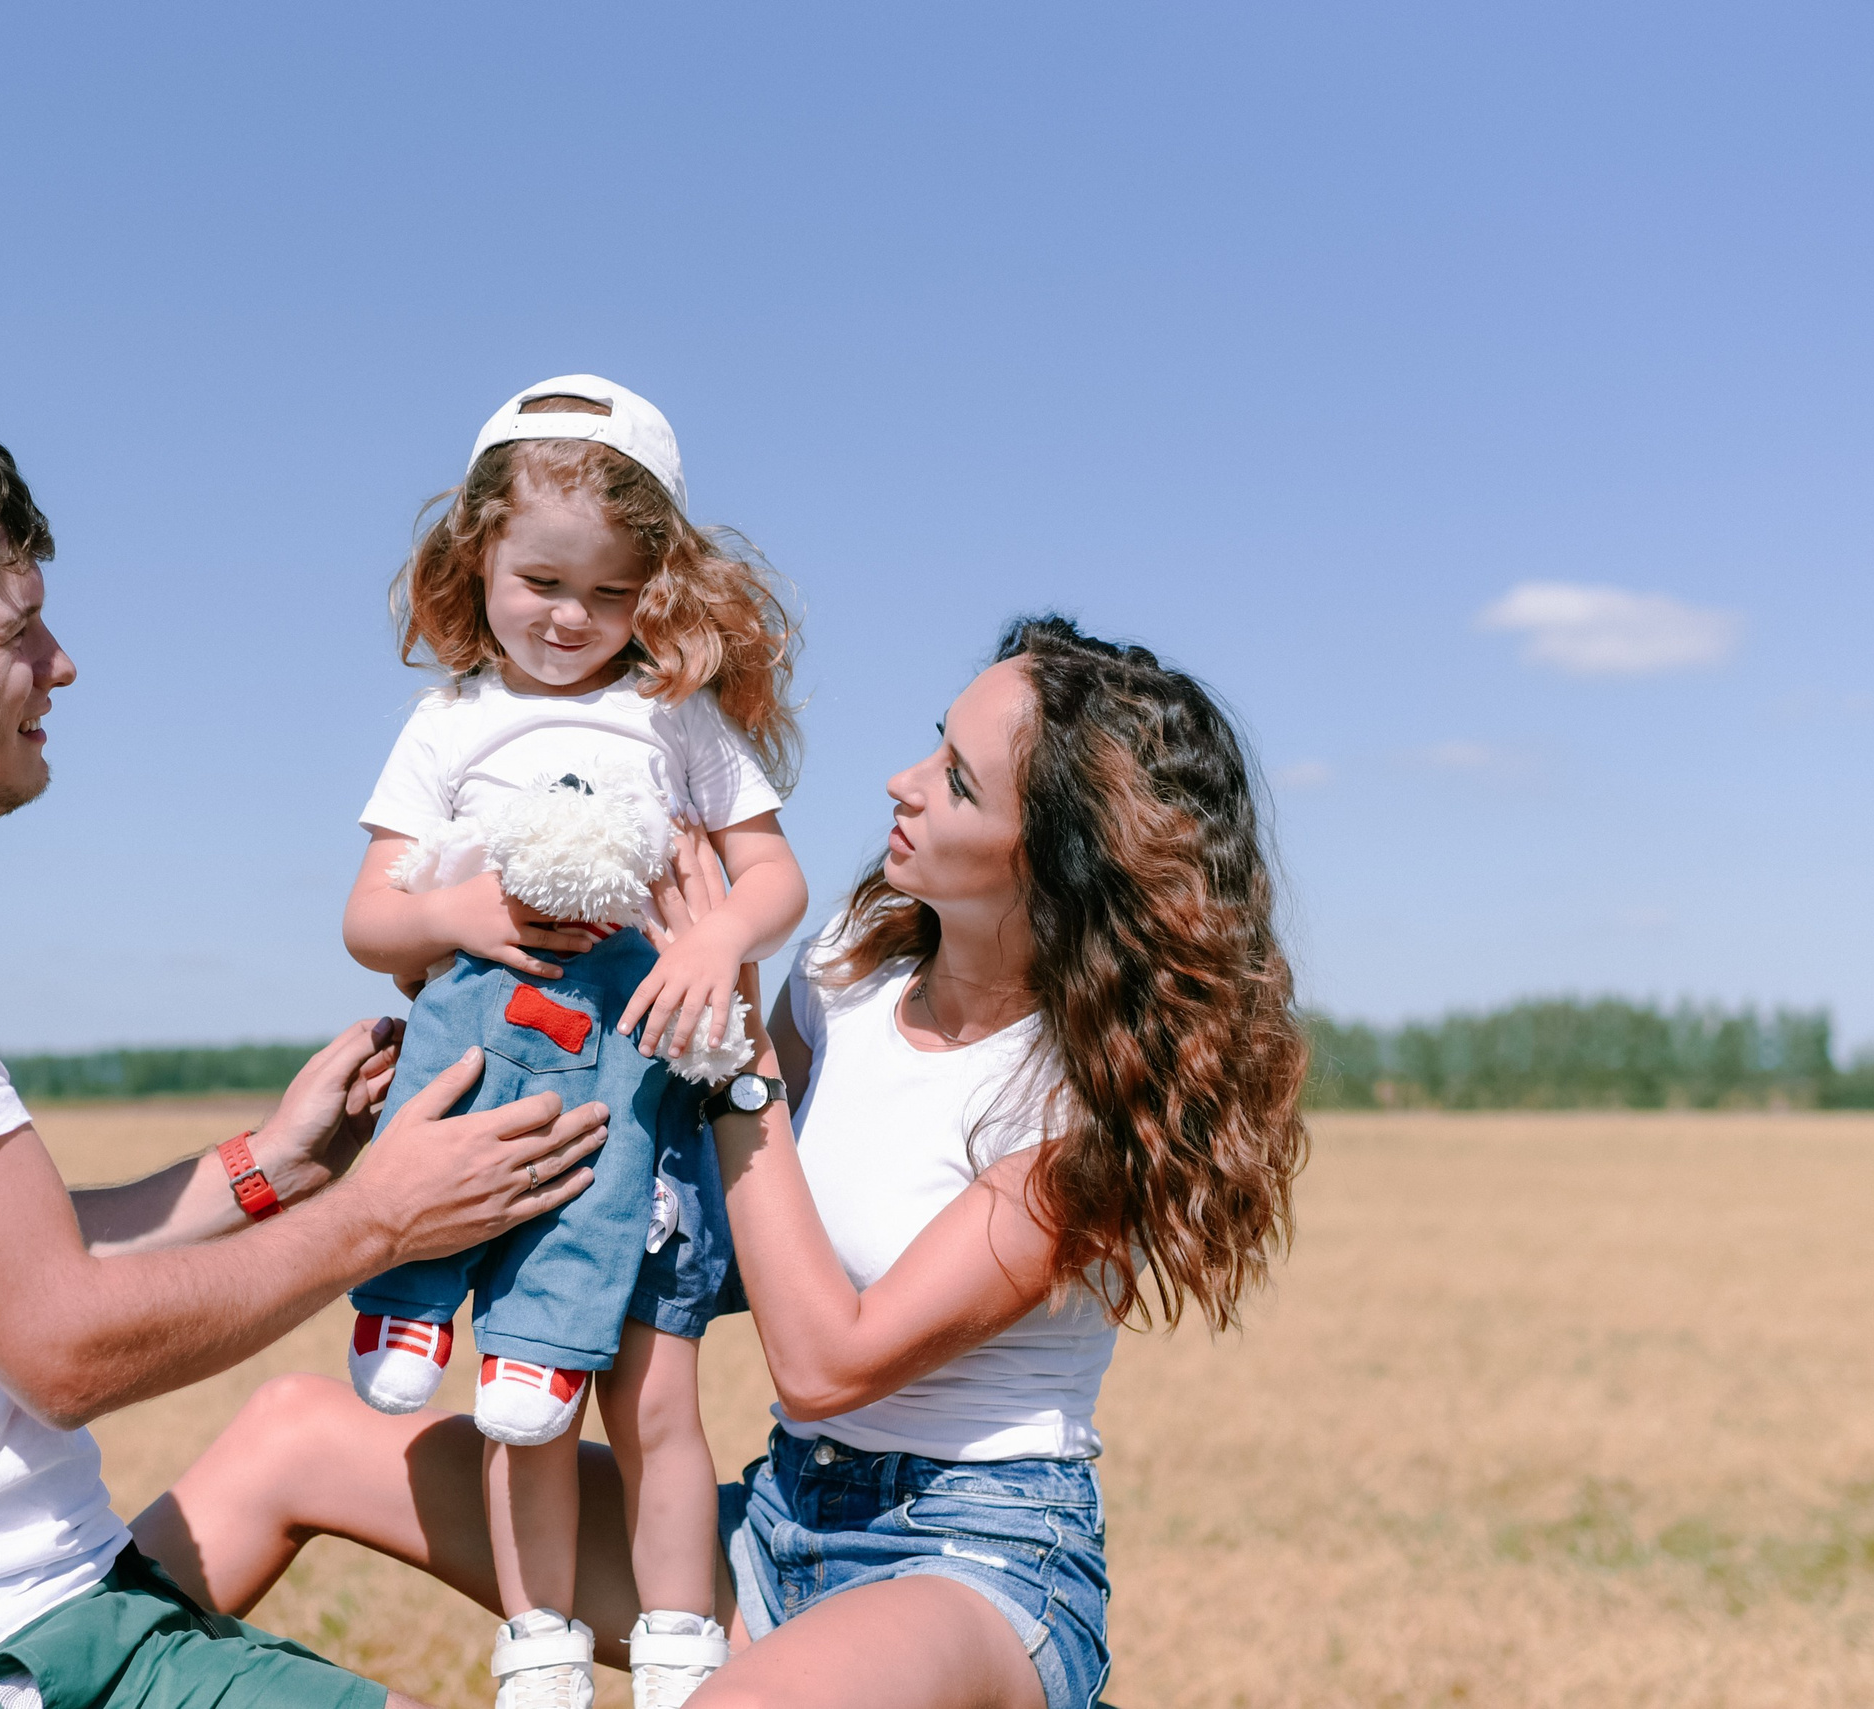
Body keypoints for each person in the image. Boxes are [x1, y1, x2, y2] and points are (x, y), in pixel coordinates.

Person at [142, 615, 1309, 1709]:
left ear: (1057, 863)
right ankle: (21, 1667)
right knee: (290, 1432)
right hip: (767, 1522)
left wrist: (742, 1065)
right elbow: (714, 1221)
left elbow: (825, 1359)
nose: (902, 781)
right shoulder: (851, 967)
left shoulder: (1077, 1112)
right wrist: (509, 1052)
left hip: (973, 1559)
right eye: (929, 742)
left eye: (956, 778)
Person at [0, 416, 612, 1709]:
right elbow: (60, 1346)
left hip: (13, 1626)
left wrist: (270, 1168)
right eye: (15, 632)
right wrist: (381, 1218)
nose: (62, 664)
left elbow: (7, 1257)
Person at [335, 377, 809, 1708]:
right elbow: (371, 918)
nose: (567, 620)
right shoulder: (448, 723)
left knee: (654, 1402)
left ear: (653, 595)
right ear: (474, 555)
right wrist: (455, 910)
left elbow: (775, 880)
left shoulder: (676, 719)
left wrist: (719, 944)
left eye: (607, 595)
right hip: (507, 1110)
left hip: (644, 1109)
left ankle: (677, 1656)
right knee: (518, 1400)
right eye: (539, 579)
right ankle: (538, 1648)